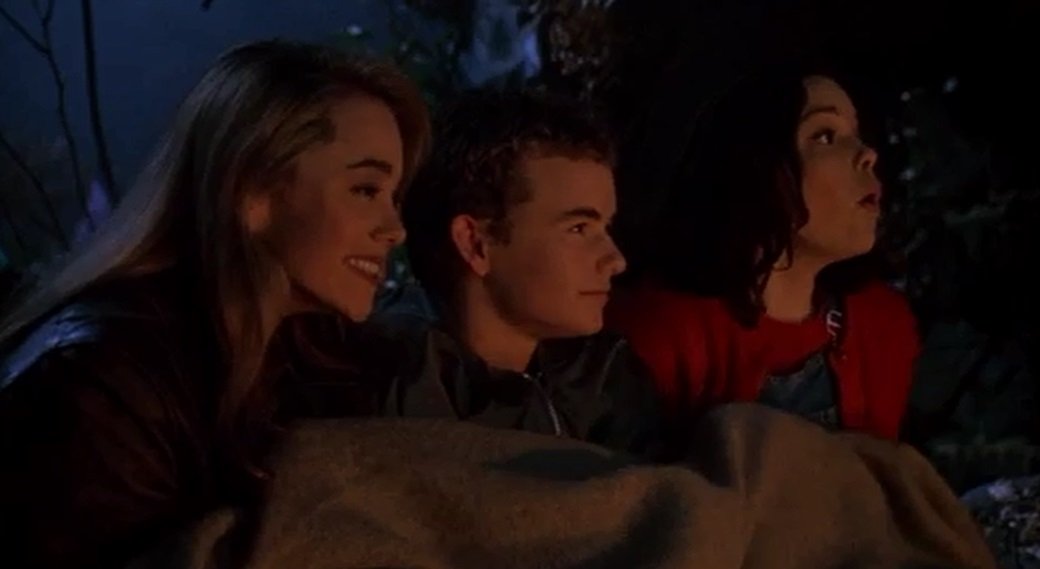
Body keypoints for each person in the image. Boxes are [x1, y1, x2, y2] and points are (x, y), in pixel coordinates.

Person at [0, 39, 429, 569]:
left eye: (394, 197)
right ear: (251, 192)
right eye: (365, 190)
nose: (394, 229)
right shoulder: (98, 388)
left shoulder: (314, 362)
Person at [607, 65, 919, 440]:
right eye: (825, 135)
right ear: (759, 167)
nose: (868, 154)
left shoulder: (881, 324)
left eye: (857, 134)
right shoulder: (661, 332)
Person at [358, 89, 669, 457]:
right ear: (475, 244)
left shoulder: (603, 375)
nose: (615, 260)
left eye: (606, 228)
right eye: (578, 229)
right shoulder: (394, 394)